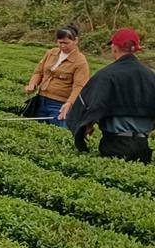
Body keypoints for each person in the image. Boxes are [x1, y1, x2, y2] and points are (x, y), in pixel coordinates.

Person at [66, 28, 155, 162]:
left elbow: (90, 105)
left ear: (114, 48)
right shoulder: (150, 76)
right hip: (143, 147)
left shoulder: (106, 75)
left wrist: (86, 124)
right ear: (136, 49)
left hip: (114, 145)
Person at [24, 24, 89, 128]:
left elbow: (79, 86)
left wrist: (69, 103)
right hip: (41, 100)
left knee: (57, 131)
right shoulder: (51, 53)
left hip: (59, 105)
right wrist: (32, 84)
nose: (63, 46)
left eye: (66, 43)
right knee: (34, 129)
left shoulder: (80, 61)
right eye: (60, 42)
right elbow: (38, 72)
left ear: (75, 41)